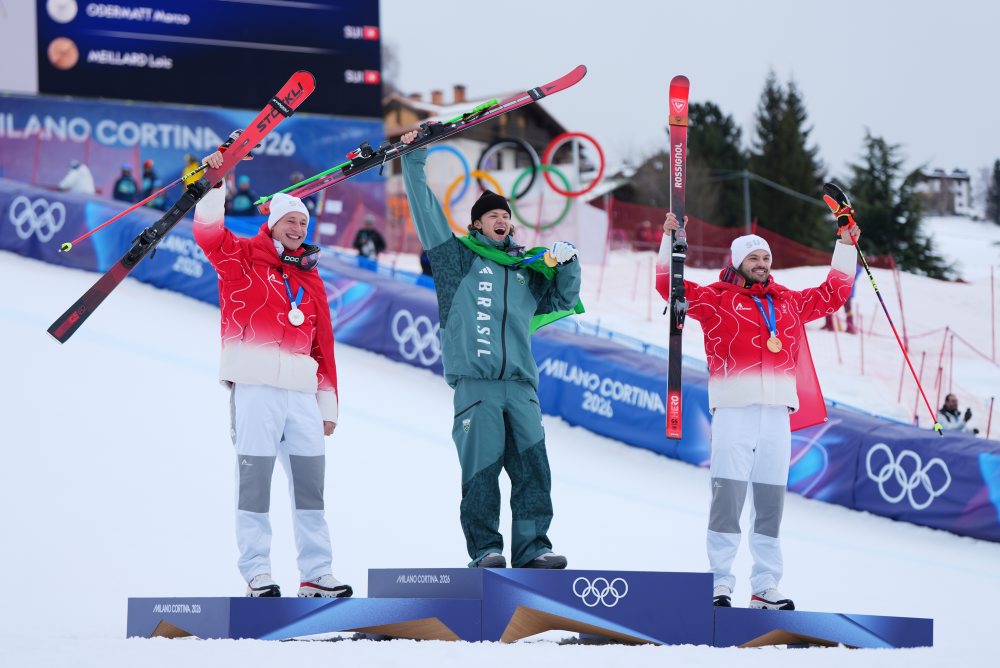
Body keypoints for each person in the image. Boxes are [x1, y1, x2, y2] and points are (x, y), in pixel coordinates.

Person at [400, 129, 582, 569]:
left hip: (521, 388)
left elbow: (560, 298)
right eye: (492, 215)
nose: (501, 219)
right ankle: (486, 549)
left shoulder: (525, 270)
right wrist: (414, 156)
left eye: (506, 214)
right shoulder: (455, 260)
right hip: (476, 385)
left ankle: (533, 548)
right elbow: (426, 212)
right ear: (476, 224)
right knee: (481, 475)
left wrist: (569, 264)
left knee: (534, 471)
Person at [659, 213, 860, 610]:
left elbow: (834, 293)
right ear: (736, 261)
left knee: (770, 503)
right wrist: (669, 239)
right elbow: (667, 285)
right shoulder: (715, 298)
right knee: (728, 499)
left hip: (777, 414)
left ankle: (765, 585)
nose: (762, 264)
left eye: (765, 258)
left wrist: (846, 244)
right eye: (754, 258)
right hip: (734, 409)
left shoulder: (787, 301)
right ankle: (719, 582)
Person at [193, 147, 350, 599]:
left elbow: (324, 347)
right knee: (255, 484)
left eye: (303, 223)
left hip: (301, 394)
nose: (298, 229)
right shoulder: (241, 258)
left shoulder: (310, 277)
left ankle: (317, 573)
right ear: (273, 224)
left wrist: (327, 400)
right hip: (256, 388)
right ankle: (257, 573)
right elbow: (208, 232)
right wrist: (217, 182)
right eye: (290, 222)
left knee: (310, 489)